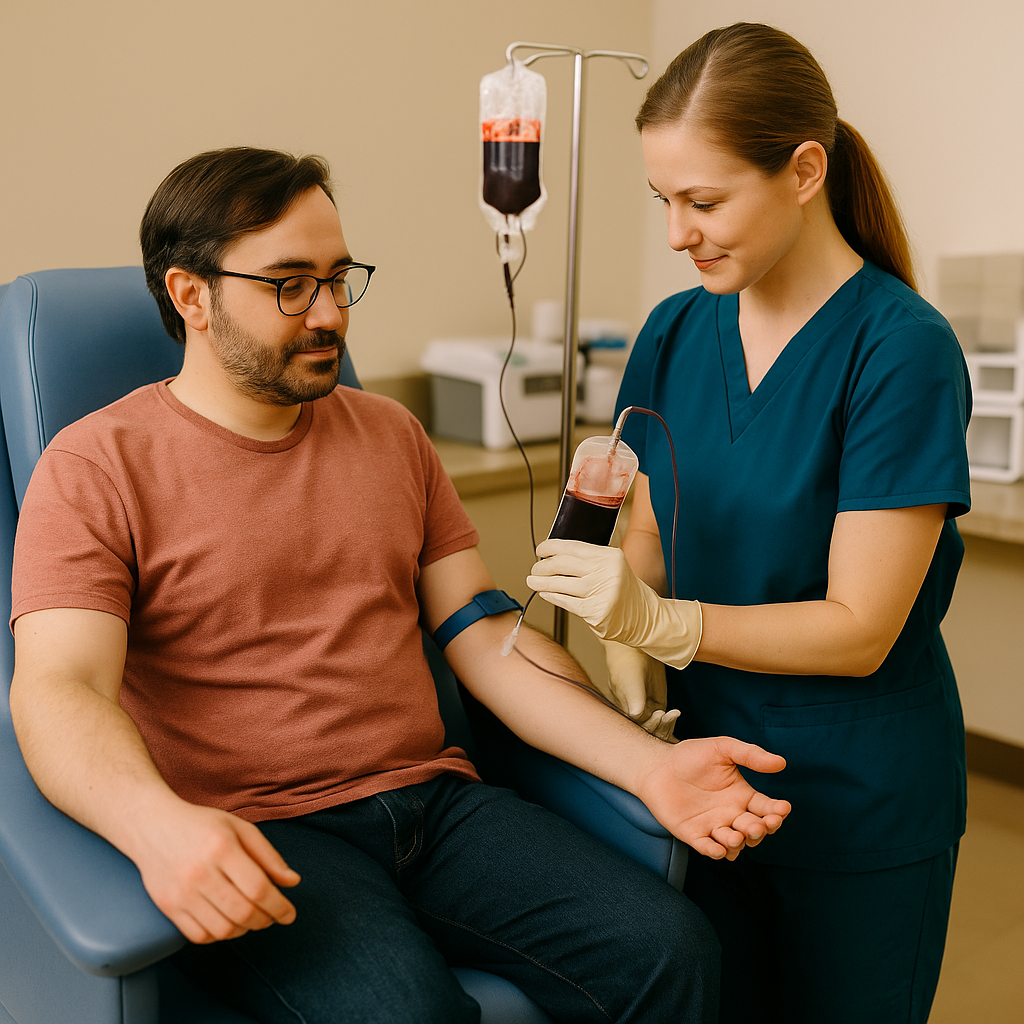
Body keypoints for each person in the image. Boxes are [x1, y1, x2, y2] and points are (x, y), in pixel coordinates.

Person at [8, 146, 793, 1024]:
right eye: (289, 285)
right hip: (263, 828)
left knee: (673, 951)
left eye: (340, 279)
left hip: (437, 804)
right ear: (191, 295)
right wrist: (157, 827)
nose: (330, 314)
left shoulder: (390, 435)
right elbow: (60, 689)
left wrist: (649, 768)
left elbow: (488, 637)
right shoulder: (95, 465)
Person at [528, 22, 970, 1024]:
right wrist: (621, 639)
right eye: (662, 203)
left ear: (804, 170)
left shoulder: (899, 350)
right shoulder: (676, 329)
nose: (678, 232)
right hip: (701, 777)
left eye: (704, 200)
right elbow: (646, 527)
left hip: (856, 796)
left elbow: (860, 628)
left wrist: (661, 623)